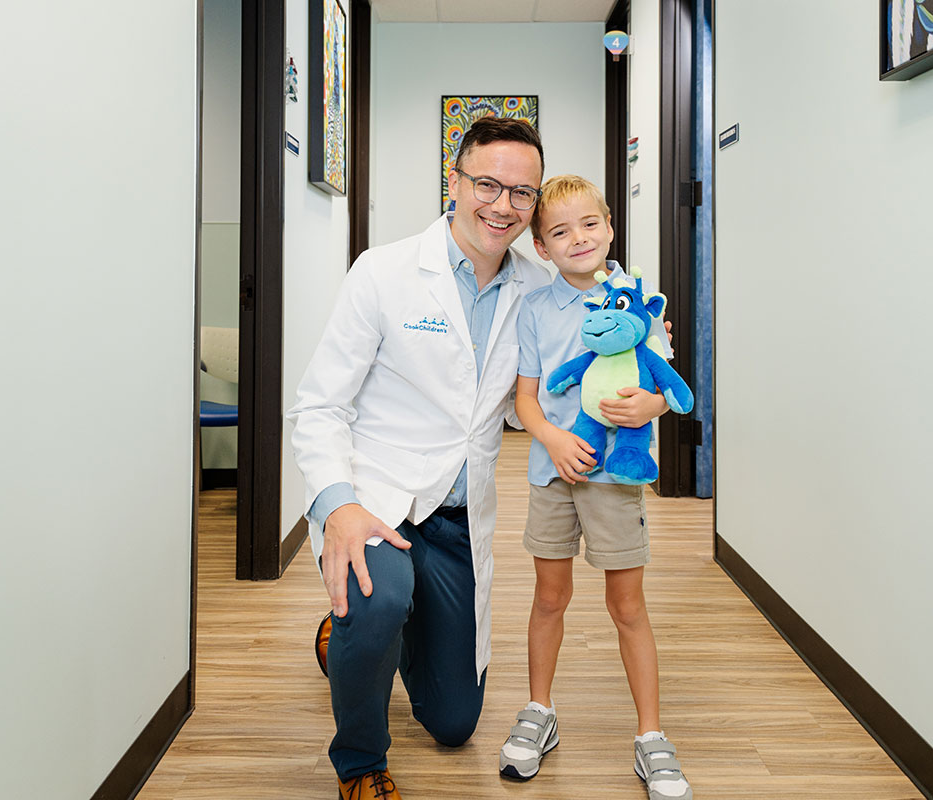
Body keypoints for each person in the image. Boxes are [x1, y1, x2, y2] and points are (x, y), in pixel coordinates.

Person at [287, 118, 665, 800]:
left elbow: (597, 339)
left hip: (461, 517)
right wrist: (336, 503)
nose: (502, 204)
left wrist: (648, 361)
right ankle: (361, 763)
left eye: (522, 193)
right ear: (455, 182)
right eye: (486, 183)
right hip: (380, 495)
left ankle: (351, 640)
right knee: (377, 600)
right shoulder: (386, 271)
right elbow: (319, 404)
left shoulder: (537, 282)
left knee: (455, 721)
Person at [497, 175, 693, 800]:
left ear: (610, 227)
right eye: (559, 232)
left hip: (616, 481)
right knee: (548, 598)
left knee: (627, 606)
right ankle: (539, 711)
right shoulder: (534, 310)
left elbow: (665, 382)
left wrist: (652, 406)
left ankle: (651, 736)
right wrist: (553, 441)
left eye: (588, 224)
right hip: (553, 477)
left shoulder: (639, 301)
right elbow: (526, 399)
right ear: (542, 247)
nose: (577, 238)